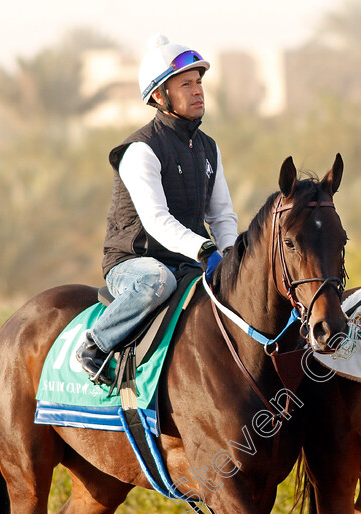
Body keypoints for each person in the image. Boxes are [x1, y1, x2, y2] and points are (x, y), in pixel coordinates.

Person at [76, 34, 238, 384]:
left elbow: (222, 214)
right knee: (156, 280)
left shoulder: (209, 148)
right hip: (134, 265)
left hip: (187, 262)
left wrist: (230, 254)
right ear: (159, 96)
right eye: (185, 85)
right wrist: (204, 249)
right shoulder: (140, 151)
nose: (197, 91)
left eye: (198, 82)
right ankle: (96, 346)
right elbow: (156, 220)